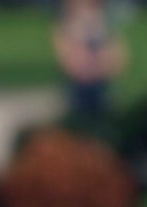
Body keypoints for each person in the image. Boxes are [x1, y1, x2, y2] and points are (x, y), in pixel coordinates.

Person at [52, 0, 127, 130]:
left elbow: (113, 47)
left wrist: (109, 62)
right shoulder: (70, 22)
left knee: (101, 113)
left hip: (98, 77)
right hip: (80, 78)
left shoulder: (103, 21)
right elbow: (66, 50)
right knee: (79, 116)